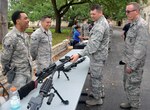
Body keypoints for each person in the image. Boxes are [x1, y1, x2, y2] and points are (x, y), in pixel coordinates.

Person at [71, 4, 110, 106]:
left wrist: (79, 55)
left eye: (94, 14)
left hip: (97, 56)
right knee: (98, 75)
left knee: (95, 77)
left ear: (100, 12)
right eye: (91, 14)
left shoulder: (100, 25)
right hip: (100, 55)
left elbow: (93, 46)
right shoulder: (99, 22)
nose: (92, 16)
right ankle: (99, 93)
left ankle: (97, 100)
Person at [120, 2, 149, 110]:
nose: (126, 13)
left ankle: (135, 106)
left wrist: (132, 65)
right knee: (126, 83)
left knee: (133, 85)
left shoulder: (141, 25)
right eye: (126, 11)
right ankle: (130, 102)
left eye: (128, 11)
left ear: (136, 11)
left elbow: (140, 49)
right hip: (128, 60)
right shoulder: (133, 23)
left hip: (135, 63)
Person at [1, 10, 32, 89]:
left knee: (28, 97)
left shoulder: (25, 35)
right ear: (18, 21)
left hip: (28, 73)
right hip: (18, 78)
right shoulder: (10, 37)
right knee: (18, 98)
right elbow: (4, 59)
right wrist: (8, 72)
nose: (28, 20)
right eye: (25, 18)